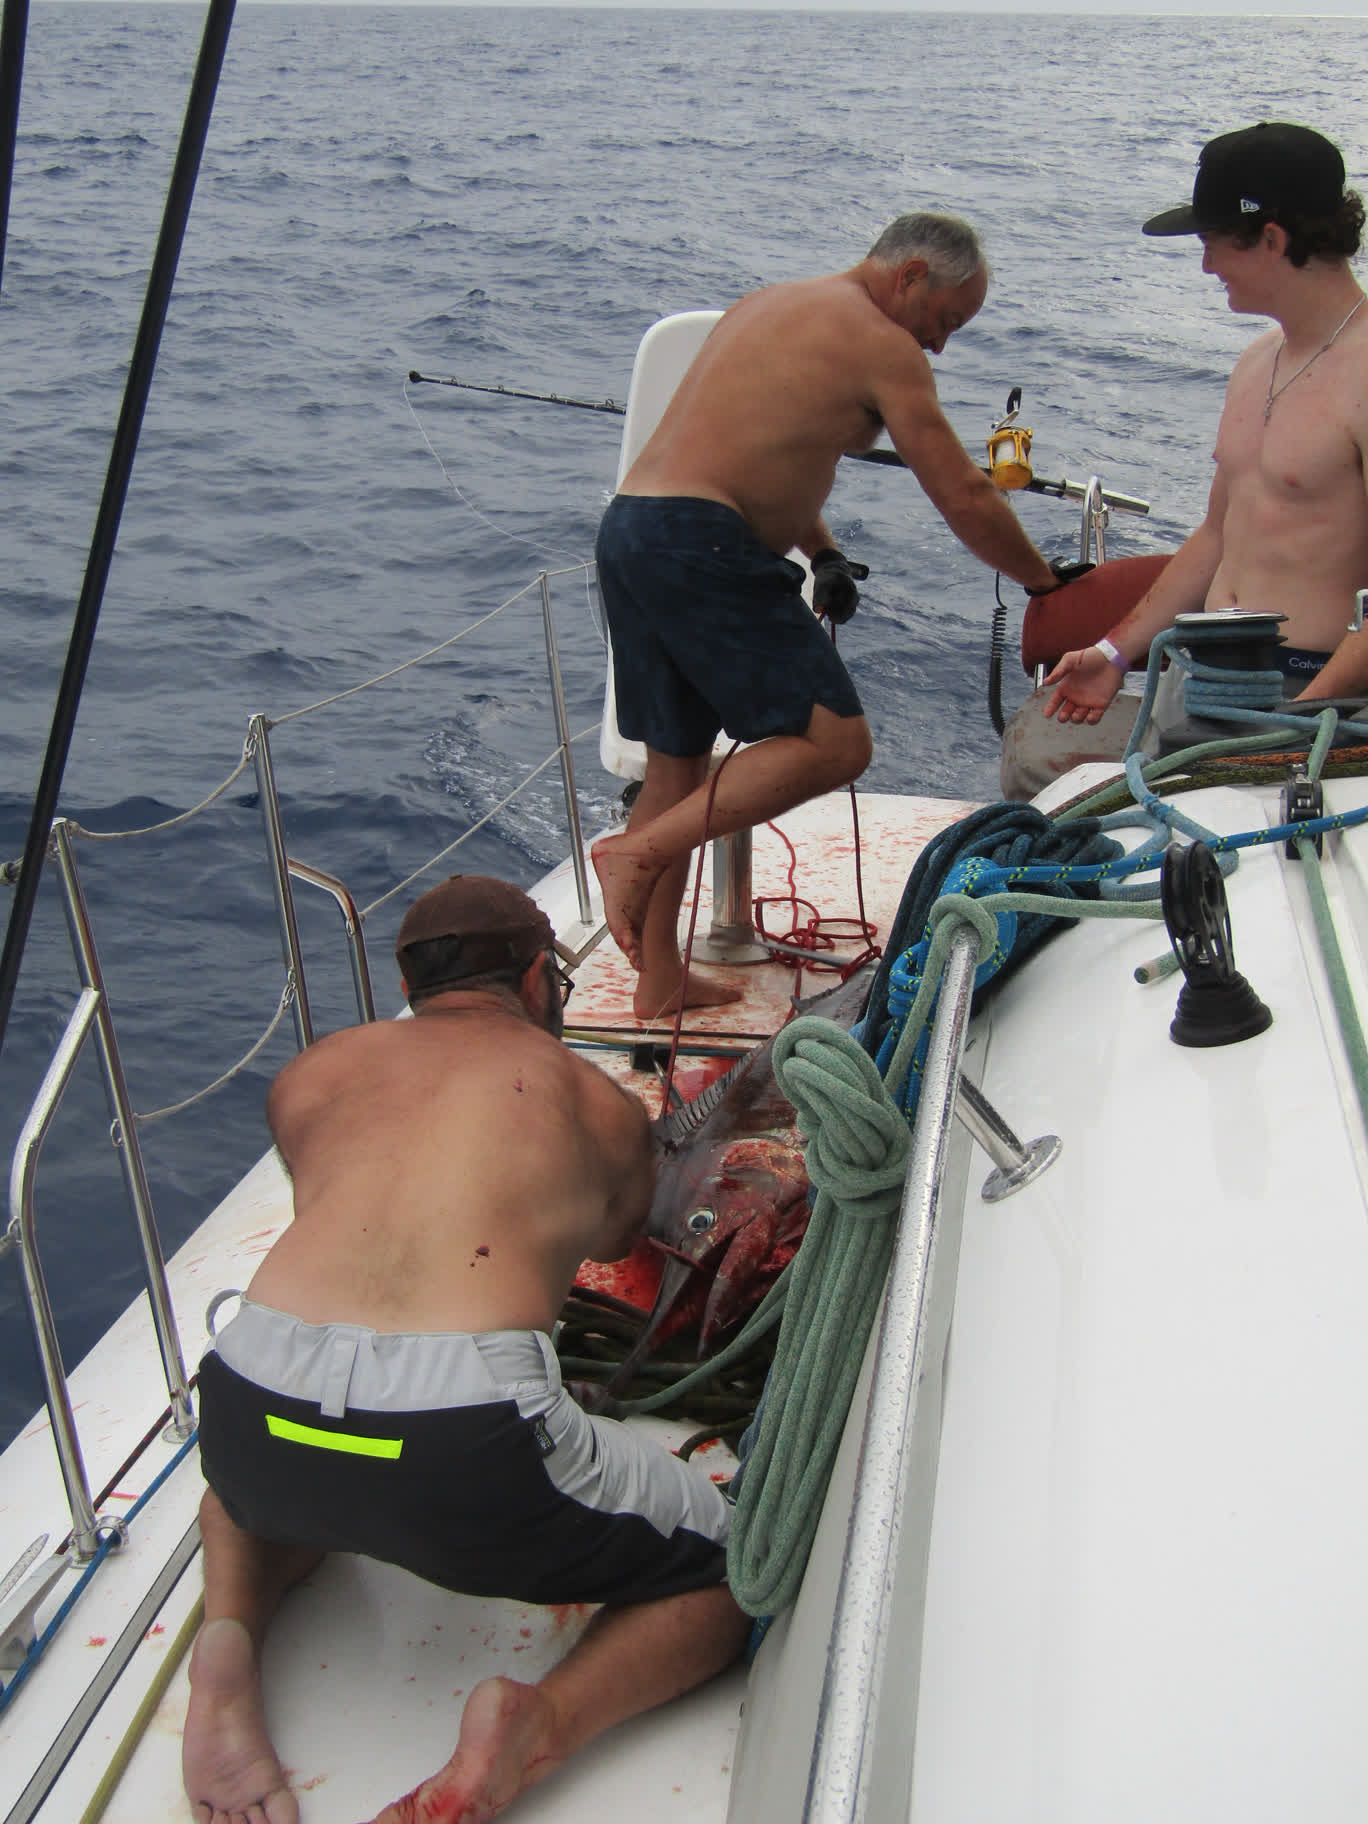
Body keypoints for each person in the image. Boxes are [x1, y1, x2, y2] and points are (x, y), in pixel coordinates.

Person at [182, 874, 748, 1824]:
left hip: (252, 1390)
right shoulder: (590, 1100)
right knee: (737, 1568)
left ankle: (226, 1645)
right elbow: (616, 1239)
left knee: (267, 1469)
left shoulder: (312, 1074)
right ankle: (540, 1720)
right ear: (537, 982)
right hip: (463, 1433)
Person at [591, 212, 1058, 1018]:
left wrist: (826, 551)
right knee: (837, 743)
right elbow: (964, 493)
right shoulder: (884, 347)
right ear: (909, 275)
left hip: (636, 531)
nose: (940, 346)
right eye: (945, 321)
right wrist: (1047, 586)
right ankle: (636, 850)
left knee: (675, 765)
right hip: (702, 544)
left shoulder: (770, 306)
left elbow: (770, 446)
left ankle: (658, 981)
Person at [1027, 122, 1368, 783]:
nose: (1206, 266)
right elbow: (1218, 534)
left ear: (1272, 239)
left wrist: (1301, 719)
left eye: (1213, 243)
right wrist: (1115, 652)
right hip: (1203, 680)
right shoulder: (1255, 362)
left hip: (1309, 700)